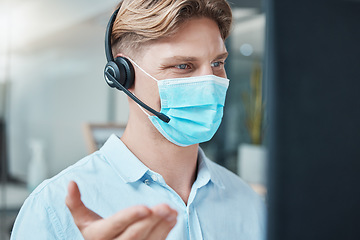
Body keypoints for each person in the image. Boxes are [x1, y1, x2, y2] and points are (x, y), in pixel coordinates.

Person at [11, 0, 265, 239]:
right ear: (122, 77)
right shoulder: (53, 207)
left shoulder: (251, 205)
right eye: (183, 66)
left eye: (217, 63)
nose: (210, 83)